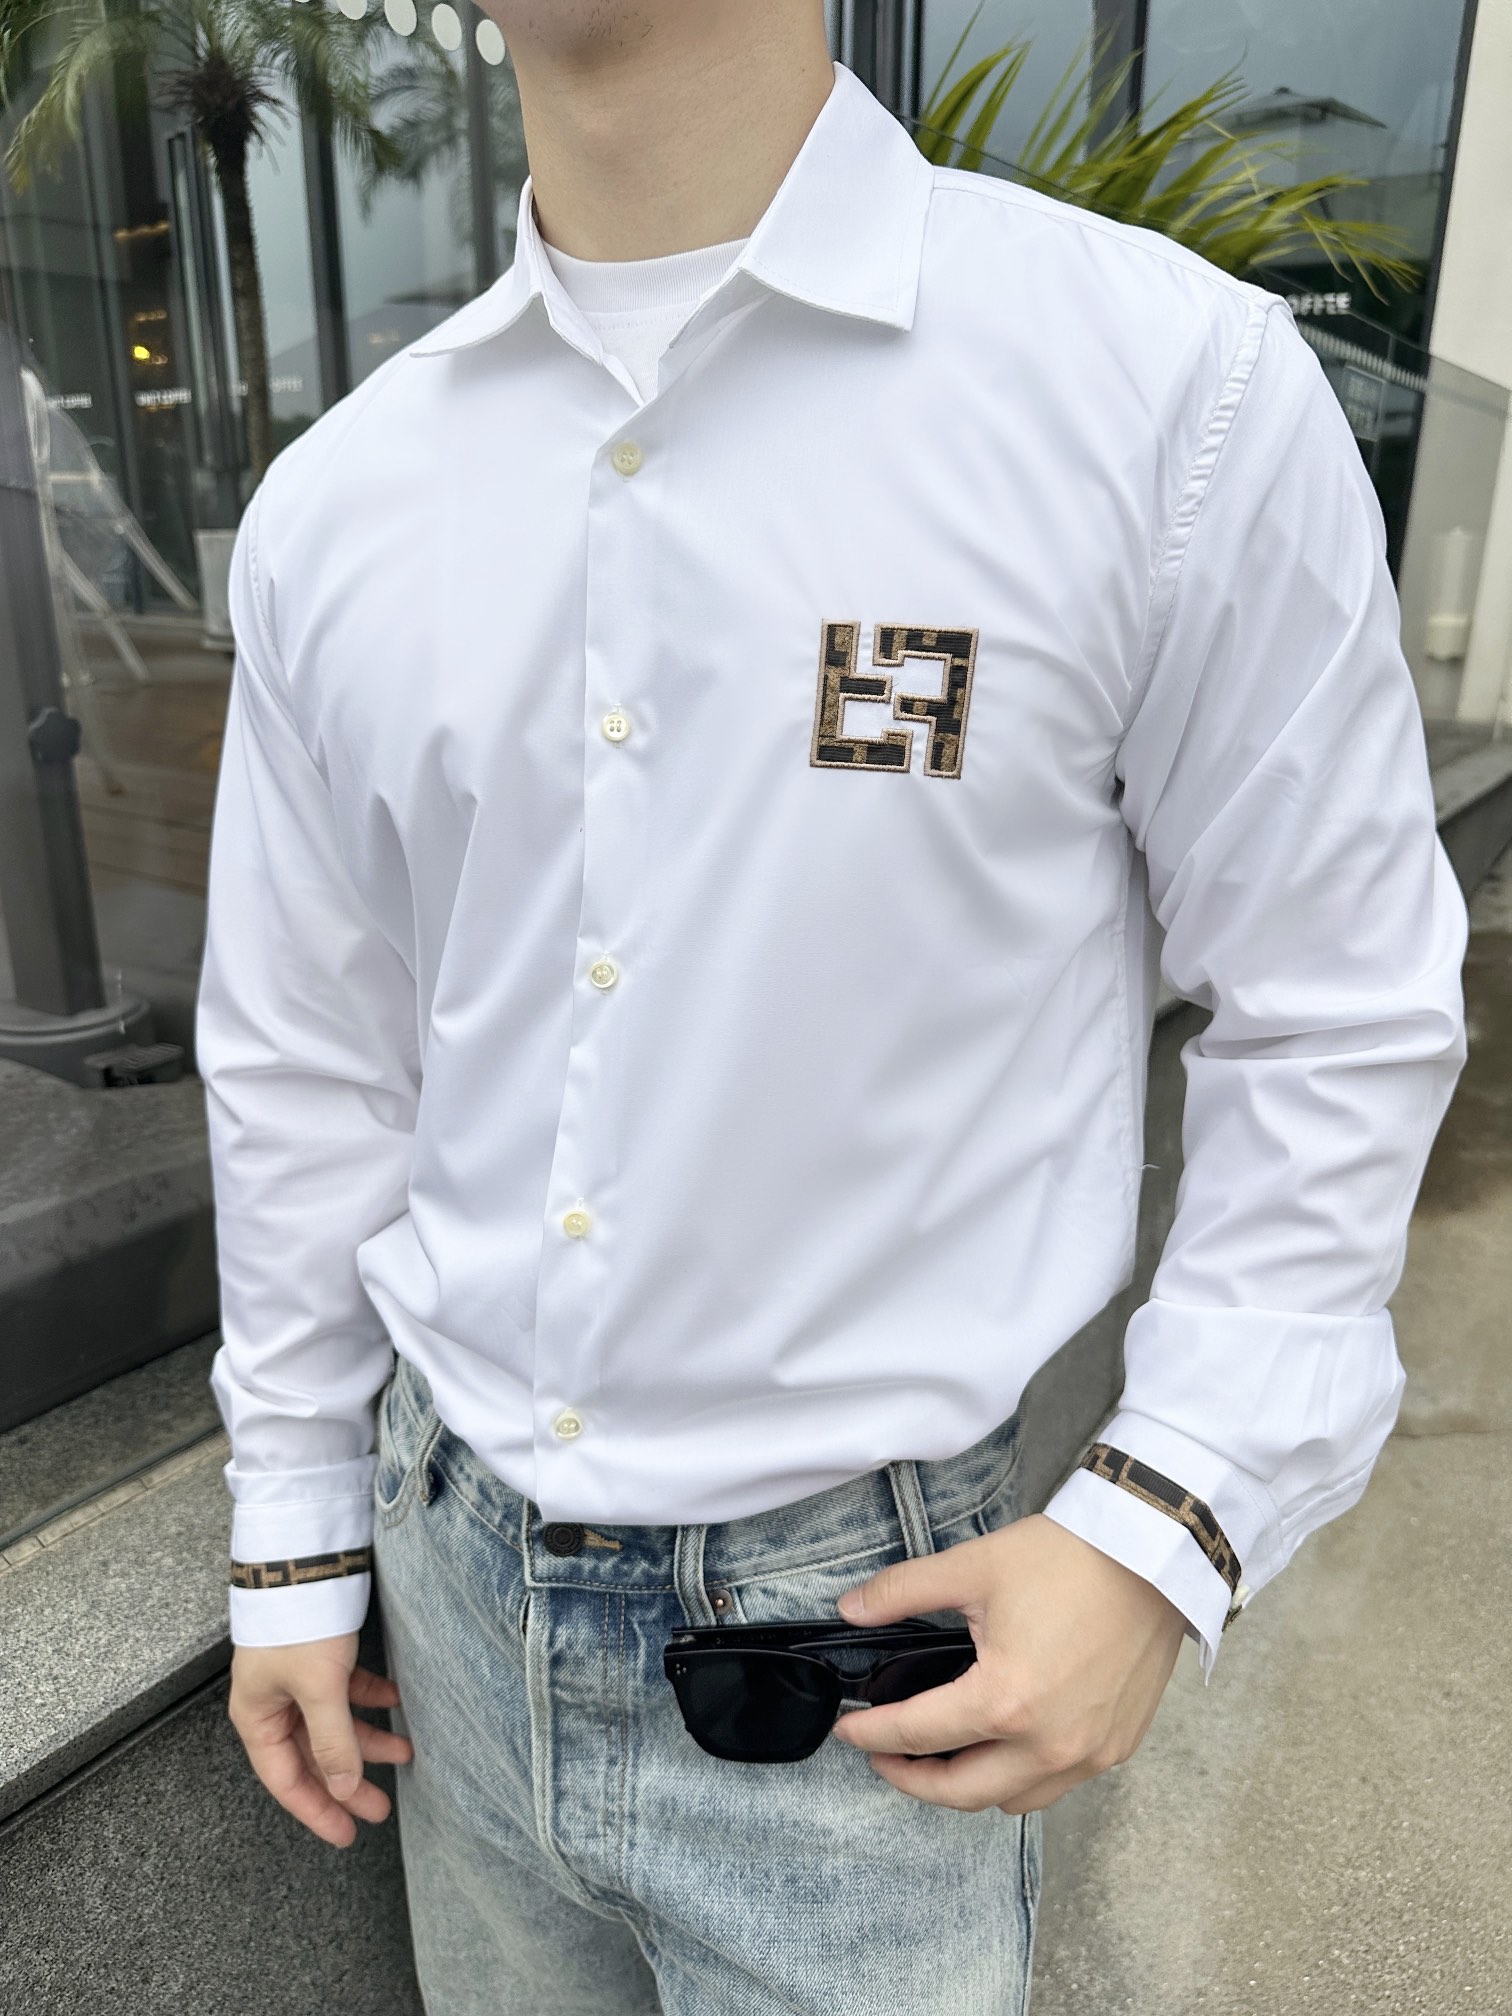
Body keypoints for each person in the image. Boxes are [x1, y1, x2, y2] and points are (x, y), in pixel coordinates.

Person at [195, 4, 1468, 2010]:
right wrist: (292, 1526)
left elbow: (1338, 997)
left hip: (869, 1652)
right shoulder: (345, 498)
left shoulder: (1161, 390)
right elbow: (314, 1059)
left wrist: (1168, 1522)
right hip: (439, 1609)